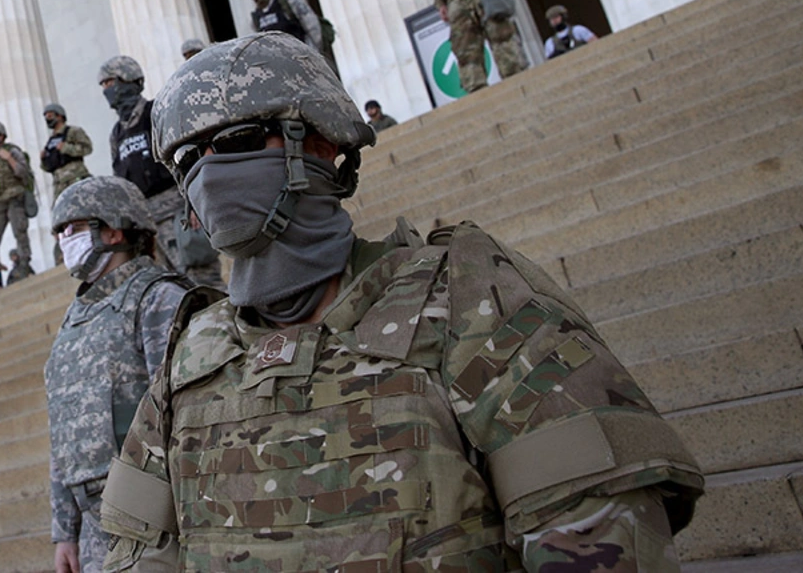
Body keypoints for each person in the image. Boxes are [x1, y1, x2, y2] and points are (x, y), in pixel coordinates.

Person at [99, 32, 704, 570]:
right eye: (187, 159)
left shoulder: (468, 298)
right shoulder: (194, 354)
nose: (208, 173)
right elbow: (137, 553)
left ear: (320, 144)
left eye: (232, 141)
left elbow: (595, 530)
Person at [44, 177, 189, 573]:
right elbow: (62, 433)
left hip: (156, 517)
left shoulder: (159, 298)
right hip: (94, 527)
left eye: (71, 228)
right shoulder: (75, 318)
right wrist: (65, 533)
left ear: (112, 229)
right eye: (58, 232)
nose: (63, 240)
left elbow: (187, 418)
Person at [99, 55, 217, 286]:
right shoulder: (117, 133)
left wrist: (194, 204)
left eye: (110, 83)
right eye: (103, 86)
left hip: (178, 214)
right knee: (173, 289)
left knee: (203, 280)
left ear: (128, 80)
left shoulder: (156, 113)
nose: (107, 90)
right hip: (148, 224)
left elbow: (186, 158)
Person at [0, 121, 35, 284]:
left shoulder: (12, 151)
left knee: (20, 232)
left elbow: (23, 172)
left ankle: (24, 264)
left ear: (1, 136)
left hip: (14, 198)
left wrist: (9, 159)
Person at [239, 0, 323, 53]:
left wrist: (313, 53)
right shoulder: (255, 19)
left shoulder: (287, 1)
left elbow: (312, 26)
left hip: (302, 55)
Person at [40, 104, 93, 202]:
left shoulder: (73, 131)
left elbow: (87, 148)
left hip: (75, 177)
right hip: (59, 184)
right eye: (46, 117)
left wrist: (66, 148)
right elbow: (48, 167)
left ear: (59, 116)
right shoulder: (51, 140)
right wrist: (43, 159)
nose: (47, 119)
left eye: (50, 116)